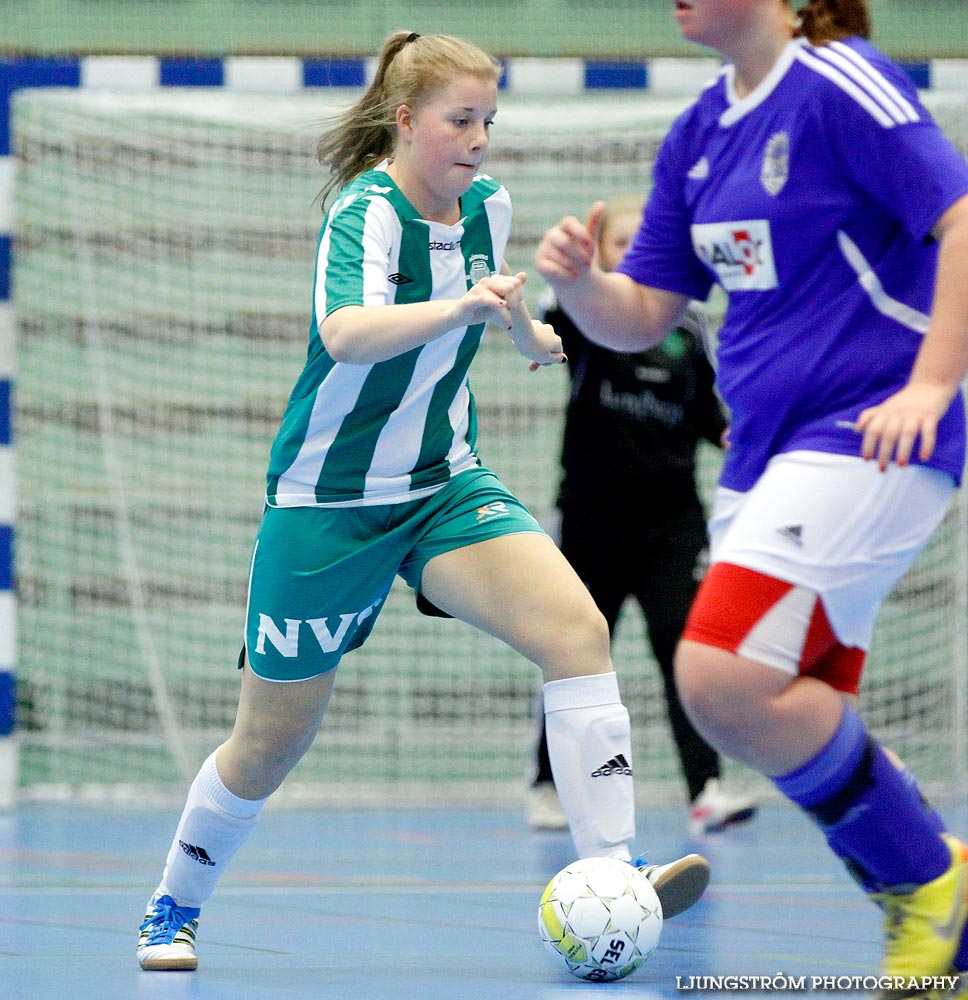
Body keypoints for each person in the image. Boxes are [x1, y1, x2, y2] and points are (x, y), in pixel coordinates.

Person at [135, 31, 710, 973]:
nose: (479, 139)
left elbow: (494, 300)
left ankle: (617, 872)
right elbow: (349, 333)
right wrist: (467, 312)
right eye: (460, 120)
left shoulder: (489, 206)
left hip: (443, 485)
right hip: (327, 503)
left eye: (489, 120)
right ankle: (173, 905)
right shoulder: (364, 214)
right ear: (405, 122)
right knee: (271, 740)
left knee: (576, 632)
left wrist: (531, 335)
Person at [536, 0, 968, 987]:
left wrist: (932, 382)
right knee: (767, 706)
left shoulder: (838, 84)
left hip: (867, 429)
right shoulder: (699, 130)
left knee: (716, 674)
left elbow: (957, 216)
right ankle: (926, 883)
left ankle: (924, 879)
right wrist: (580, 284)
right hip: (761, 459)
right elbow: (644, 314)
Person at [527, 195, 757, 837]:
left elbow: (710, 414)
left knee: (683, 649)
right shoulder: (587, 318)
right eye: (620, 244)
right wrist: (567, 280)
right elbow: (553, 332)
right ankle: (549, 783)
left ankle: (706, 788)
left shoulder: (689, 328)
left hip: (672, 521)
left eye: (642, 243)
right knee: (574, 648)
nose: (632, 254)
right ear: (602, 254)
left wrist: (738, 437)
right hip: (593, 517)